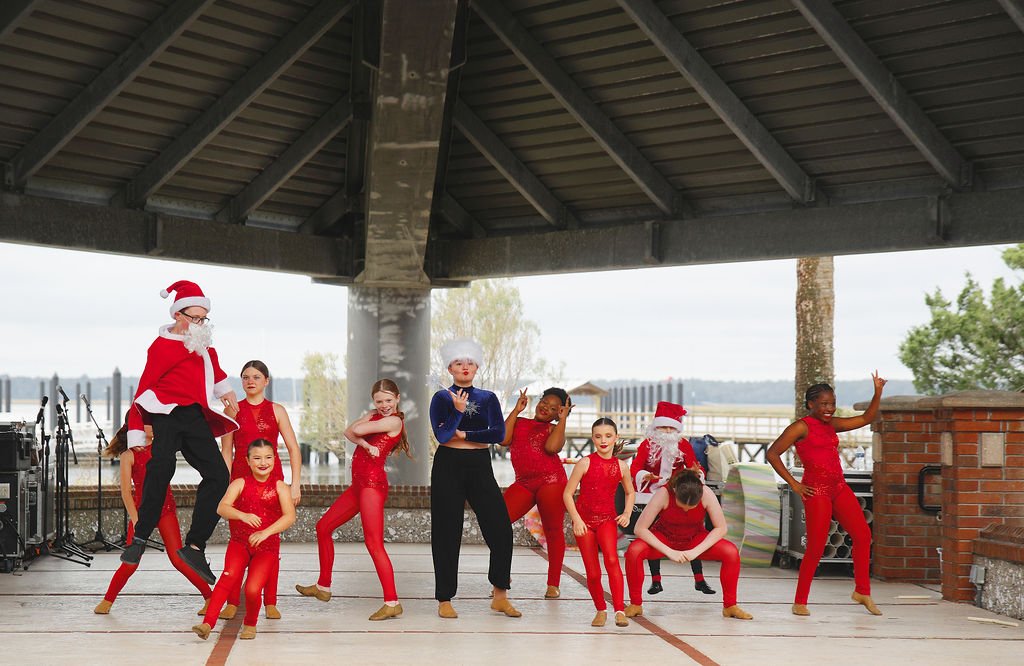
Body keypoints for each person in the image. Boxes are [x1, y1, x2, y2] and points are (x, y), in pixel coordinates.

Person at [120, 280, 238, 586]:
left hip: (195, 415)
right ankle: (140, 538)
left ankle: (195, 546)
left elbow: (215, 369)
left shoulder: (202, 345)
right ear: (178, 315)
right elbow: (143, 388)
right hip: (166, 413)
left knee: (218, 476)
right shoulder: (160, 346)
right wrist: (135, 431)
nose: (200, 324)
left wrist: (225, 392)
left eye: (204, 318)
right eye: (195, 318)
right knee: (161, 468)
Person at [766, 373, 886, 617]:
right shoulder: (800, 427)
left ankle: (862, 591)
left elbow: (866, 417)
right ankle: (800, 602)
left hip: (838, 487)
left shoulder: (832, 424)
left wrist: (877, 392)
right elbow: (773, 453)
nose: (829, 408)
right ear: (811, 404)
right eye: (824, 404)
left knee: (863, 535)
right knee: (816, 547)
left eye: (832, 403)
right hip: (816, 491)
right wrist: (795, 485)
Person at [296, 379, 411, 621]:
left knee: (373, 543)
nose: (384, 405)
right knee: (323, 527)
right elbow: (348, 433)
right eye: (379, 401)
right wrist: (365, 444)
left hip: (372, 486)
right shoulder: (374, 415)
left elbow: (355, 430)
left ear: (397, 399)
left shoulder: (393, 421)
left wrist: (363, 432)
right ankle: (324, 586)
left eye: (389, 400)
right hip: (358, 486)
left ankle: (392, 602)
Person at [429, 338, 519, 619]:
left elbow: (498, 434)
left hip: (480, 464)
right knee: (446, 531)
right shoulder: (441, 398)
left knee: (501, 529)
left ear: (477, 366)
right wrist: (456, 413)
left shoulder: (488, 398)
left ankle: (500, 594)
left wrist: (467, 434)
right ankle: (445, 598)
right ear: (450, 368)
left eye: (469, 362)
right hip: (448, 464)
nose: (464, 367)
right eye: (458, 363)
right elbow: (442, 436)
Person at [93, 423, 212, 615]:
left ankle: (209, 597)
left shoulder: (163, 448)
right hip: (142, 514)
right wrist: (136, 519)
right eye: (151, 422)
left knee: (178, 559)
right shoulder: (128, 455)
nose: (156, 424)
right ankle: (108, 600)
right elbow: (125, 492)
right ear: (138, 428)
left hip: (165, 510)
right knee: (130, 562)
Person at [219, 360, 301, 621]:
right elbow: (226, 451)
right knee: (238, 541)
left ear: (267, 381)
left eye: (256, 376)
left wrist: (295, 483)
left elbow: (293, 448)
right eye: (245, 377)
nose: (250, 381)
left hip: (272, 482)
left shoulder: (277, 410)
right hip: (240, 484)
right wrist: (225, 485)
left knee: (269, 543)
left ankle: (270, 602)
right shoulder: (232, 412)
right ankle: (232, 600)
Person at [192, 439, 295, 641]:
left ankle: (250, 623)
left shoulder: (281, 487)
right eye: (257, 458)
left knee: (253, 589)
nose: (262, 462)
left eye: (268, 457)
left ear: (275, 459)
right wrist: (243, 515)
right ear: (248, 461)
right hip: (239, 543)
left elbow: (289, 517)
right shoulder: (239, 483)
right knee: (227, 578)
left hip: (267, 548)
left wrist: (266, 532)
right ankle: (207, 624)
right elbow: (222, 507)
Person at [624, 469, 752, 620]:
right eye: (682, 505)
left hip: (694, 538)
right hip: (665, 536)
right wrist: (669, 551)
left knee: (731, 552)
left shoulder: (707, 493)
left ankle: (730, 606)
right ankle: (635, 604)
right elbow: (640, 528)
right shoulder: (663, 493)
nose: (685, 509)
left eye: (690, 507)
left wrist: (695, 551)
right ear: (675, 491)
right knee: (634, 551)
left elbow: (721, 528)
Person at [628, 401, 715, 596]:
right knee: (653, 534)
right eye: (663, 427)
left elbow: (696, 467)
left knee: (691, 532)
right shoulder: (647, 445)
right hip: (652, 493)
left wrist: (696, 472)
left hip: (677, 494)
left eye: (671, 427)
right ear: (655, 427)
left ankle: (699, 579)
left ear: (677, 428)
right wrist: (645, 475)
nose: (667, 431)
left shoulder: (683, 444)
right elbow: (635, 468)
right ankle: (656, 580)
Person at [500, 387, 571, 599]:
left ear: (558, 412)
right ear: (537, 401)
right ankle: (502, 575)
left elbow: (551, 448)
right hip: (524, 483)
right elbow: (503, 440)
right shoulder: (520, 422)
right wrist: (516, 410)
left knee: (553, 530)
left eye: (552, 408)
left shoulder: (553, 429)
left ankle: (553, 583)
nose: (545, 409)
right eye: (544, 403)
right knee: (497, 521)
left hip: (551, 481)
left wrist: (562, 420)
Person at [563, 417, 635, 628]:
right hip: (584, 523)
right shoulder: (585, 463)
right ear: (593, 438)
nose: (603, 440)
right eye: (598, 436)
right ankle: (601, 609)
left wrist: (627, 513)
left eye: (608, 436)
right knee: (592, 570)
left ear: (616, 438)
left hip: (606, 521)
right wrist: (576, 519)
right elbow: (568, 494)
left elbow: (630, 492)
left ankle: (619, 610)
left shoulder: (621, 466)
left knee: (612, 560)